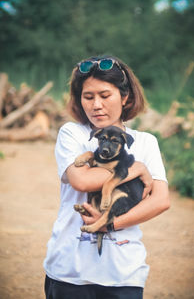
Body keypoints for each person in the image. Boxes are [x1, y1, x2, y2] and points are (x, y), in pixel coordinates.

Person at [43, 55, 170, 299]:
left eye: (105, 95)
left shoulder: (145, 142)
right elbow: (81, 180)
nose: (96, 105)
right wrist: (135, 169)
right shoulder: (73, 133)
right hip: (70, 270)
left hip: (123, 272)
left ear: (125, 97)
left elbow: (160, 200)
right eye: (88, 97)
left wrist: (108, 223)